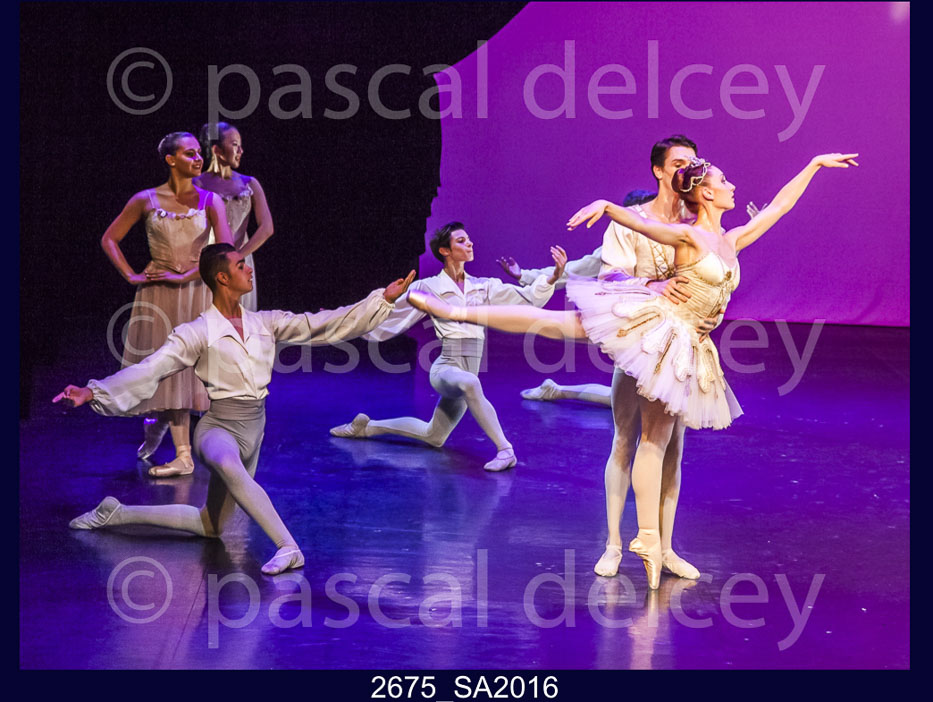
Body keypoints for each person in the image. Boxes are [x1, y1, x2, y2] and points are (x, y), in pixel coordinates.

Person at [406, 152, 858, 587]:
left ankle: (658, 544)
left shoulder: (732, 238)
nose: (732, 186)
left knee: (666, 445)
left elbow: (779, 207)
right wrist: (606, 206)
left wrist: (814, 165)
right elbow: (641, 224)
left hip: (691, 344)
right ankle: (454, 310)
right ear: (705, 193)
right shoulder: (688, 237)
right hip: (660, 329)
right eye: (723, 181)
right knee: (562, 331)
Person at [55, 243, 415, 574]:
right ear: (222, 278)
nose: (249, 269)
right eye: (241, 265)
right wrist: (92, 391)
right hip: (218, 429)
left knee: (211, 525)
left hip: (255, 429)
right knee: (228, 465)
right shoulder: (197, 332)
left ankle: (116, 513)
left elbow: (321, 324)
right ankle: (289, 546)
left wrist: (381, 300)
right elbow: (151, 369)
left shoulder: (265, 323)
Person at [506, 136, 717, 581]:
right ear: (659, 170)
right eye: (678, 162)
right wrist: (653, 286)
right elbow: (610, 275)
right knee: (625, 439)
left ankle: (665, 547)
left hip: (680, 348)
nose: (687, 169)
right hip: (639, 342)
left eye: (693, 162)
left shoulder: (697, 219)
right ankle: (614, 544)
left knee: (673, 449)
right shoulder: (630, 221)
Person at [329, 222, 566, 471]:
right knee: (471, 383)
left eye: (469, 239)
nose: (470, 243)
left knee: (434, 435)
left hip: (468, 369)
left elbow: (527, 298)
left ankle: (366, 427)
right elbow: (390, 314)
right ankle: (506, 450)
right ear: (445, 250)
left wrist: (554, 275)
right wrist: (343, 322)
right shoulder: (428, 287)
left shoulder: (484, 286)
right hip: (446, 368)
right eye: (461, 241)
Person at [102, 132, 234, 477]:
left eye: (199, 153)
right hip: (158, 293)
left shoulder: (210, 201)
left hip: (196, 291)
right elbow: (110, 239)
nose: (198, 158)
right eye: (189, 153)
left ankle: (179, 449)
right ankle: (170, 436)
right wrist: (131, 275)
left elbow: (225, 251)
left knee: (188, 371)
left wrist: (187, 274)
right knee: (165, 368)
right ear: (170, 160)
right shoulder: (145, 199)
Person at [194, 122, 273, 312]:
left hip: (241, 255)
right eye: (235, 145)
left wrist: (238, 255)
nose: (241, 151)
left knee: (238, 315)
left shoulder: (249, 183)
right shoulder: (197, 183)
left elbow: (267, 227)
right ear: (217, 150)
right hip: (208, 259)